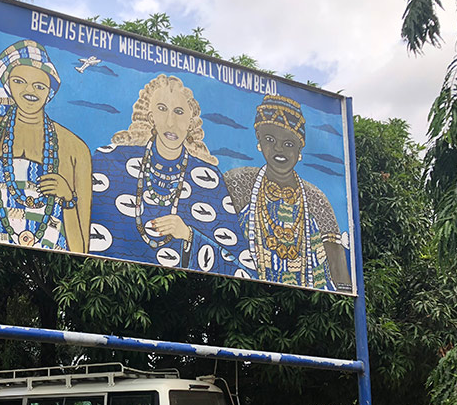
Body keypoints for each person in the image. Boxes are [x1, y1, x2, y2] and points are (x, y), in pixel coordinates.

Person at [90, 74, 254, 276]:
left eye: (179, 112)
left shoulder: (209, 180)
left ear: (190, 122)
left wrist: (187, 235)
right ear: (150, 117)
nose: (170, 122)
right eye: (161, 109)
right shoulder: (110, 161)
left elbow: (244, 268)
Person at [0, 39, 92, 253]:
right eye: (20, 81)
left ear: (50, 90)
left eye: (39, 86)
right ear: (8, 84)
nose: (30, 91)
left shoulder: (76, 150)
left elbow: (81, 248)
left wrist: (67, 197)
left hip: (52, 272)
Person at [223, 95, 352, 291]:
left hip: (308, 309)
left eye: (289, 144)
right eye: (270, 139)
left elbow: (341, 275)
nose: (278, 149)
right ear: (259, 142)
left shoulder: (316, 199)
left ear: (300, 149)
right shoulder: (239, 182)